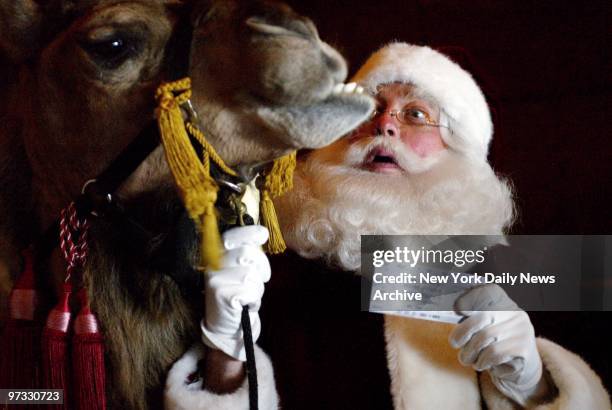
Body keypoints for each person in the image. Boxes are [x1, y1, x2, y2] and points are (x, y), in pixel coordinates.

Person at [261, 43, 610, 409]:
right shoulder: (274, 259)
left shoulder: (516, 270)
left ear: (456, 151)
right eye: (370, 108)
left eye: (415, 113)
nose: (384, 123)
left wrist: (532, 385)